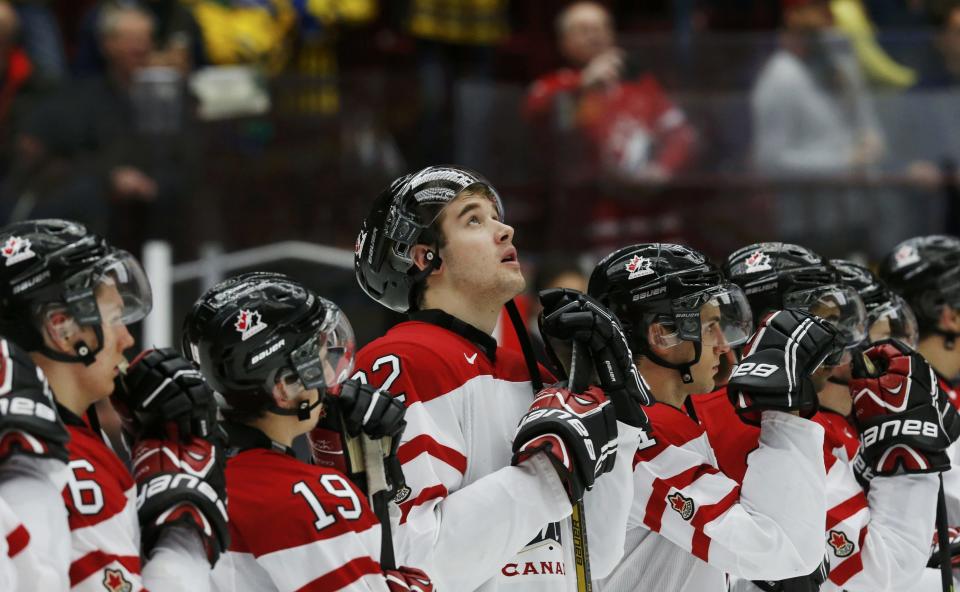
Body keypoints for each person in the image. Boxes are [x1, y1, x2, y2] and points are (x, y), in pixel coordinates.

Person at [353, 165, 646, 590]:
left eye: (496, 216)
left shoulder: (534, 373)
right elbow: (412, 567)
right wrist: (547, 474)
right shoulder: (402, 361)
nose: (505, 230)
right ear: (423, 257)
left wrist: (617, 415)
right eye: (473, 219)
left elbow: (593, 556)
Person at [693, 243, 957, 592]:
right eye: (825, 328)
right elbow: (882, 573)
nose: (846, 348)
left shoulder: (811, 416)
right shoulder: (745, 421)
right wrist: (908, 462)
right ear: (772, 327)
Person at [587, 242, 833, 591]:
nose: (723, 344)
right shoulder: (637, 436)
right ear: (662, 335)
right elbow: (781, 551)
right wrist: (783, 410)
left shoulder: (662, 420)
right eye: (709, 327)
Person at [0, 218, 227, 590]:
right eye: (116, 319)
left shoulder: (78, 442)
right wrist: (183, 530)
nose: (126, 339)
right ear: (63, 329)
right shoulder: (75, 470)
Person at [183, 271, 435, 591]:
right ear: (284, 388)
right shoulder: (298, 497)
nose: (331, 372)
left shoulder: (188, 475)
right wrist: (372, 485)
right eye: (318, 357)